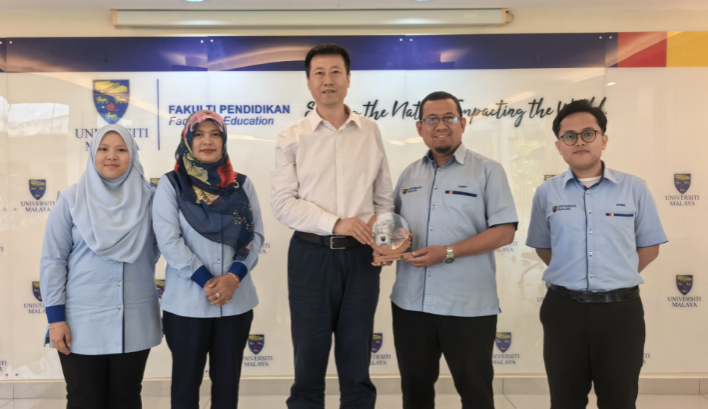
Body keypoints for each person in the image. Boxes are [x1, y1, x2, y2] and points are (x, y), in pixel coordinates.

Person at [271, 43, 394, 409]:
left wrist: (383, 240)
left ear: (348, 79)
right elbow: (282, 204)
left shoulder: (370, 131)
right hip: (311, 256)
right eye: (319, 73)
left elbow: (384, 199)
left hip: (361, 258)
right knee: (308, 360)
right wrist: (337, 223)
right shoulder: (292, 135)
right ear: (309, 82)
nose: (328, 80)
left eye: (335, 72)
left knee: (357, 360)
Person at [526, 99, 667, 409]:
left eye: (588, 133)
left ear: (603, 140)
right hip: (563, 310)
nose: (579, 141)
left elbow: (649, 247)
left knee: (620, 400)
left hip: (620, 313)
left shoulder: (635, 188)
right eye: (569, 136)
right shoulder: (546, 193)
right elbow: (543, 247)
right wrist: (573, 273)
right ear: (559, 146)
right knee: (565, 400)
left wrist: (616, 272)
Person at [386, 91, 517, 409]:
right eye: (432, 119)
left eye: (449, 117)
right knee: (415, 395)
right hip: (411, 305)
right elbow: (392, 230)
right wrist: (385, 248)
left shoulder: (488, 170)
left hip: (467, 307)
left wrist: (447, 252)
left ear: (463, 123)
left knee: (476, 395)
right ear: (420, 127)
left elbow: (504, 232)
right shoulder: (408, 174)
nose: (440, 125)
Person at [40, 124, 161, 409]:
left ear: (133, 155)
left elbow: (160, 248)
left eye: (121, 149)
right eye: (104, 149)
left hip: (133, 320)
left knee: (126, 399)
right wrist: (55, 320)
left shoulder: (152, 201)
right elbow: (52, 261)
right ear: (93, 153)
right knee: (84, 399)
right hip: (81, 323)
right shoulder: (70, 200)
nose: (112, 156)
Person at [153, 110, 264, 409]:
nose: (207, 141)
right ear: (188, 140)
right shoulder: (171, 185)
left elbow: (256, 236)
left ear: (224, 140)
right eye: (199, 134)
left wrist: (234, 277)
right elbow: (169, 241)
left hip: (236, 303)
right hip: (187, 306)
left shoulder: (242, 185)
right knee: (185, 387)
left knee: (227, 388)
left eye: (215, 134)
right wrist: (207, 281)